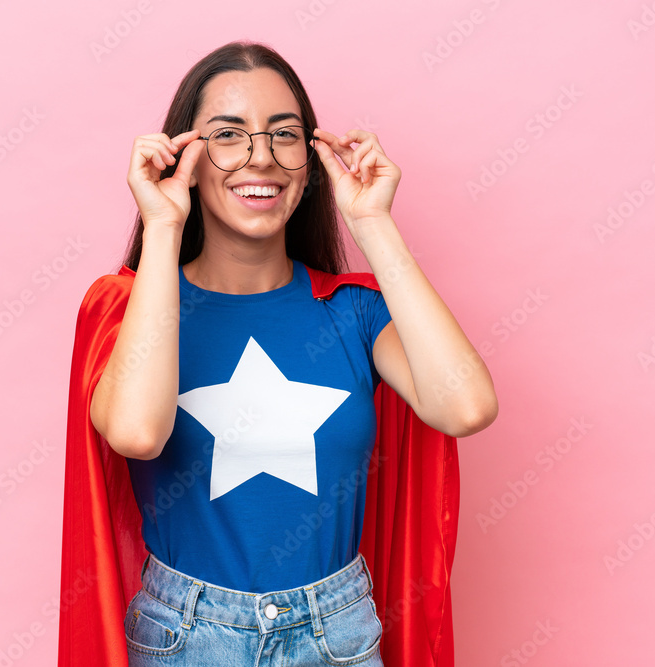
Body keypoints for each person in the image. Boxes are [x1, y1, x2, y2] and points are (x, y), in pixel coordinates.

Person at [58, 41, 498, 666]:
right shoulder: (126, 309)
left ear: (311, 162)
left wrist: (371, 222)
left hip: (336, 635)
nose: (260, 157)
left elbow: (467, 406)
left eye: (283, 135)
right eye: (229, 135)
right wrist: (162, 225)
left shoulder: (355, 312)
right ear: (184, 156)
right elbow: (136, 433)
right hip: (184, 639)